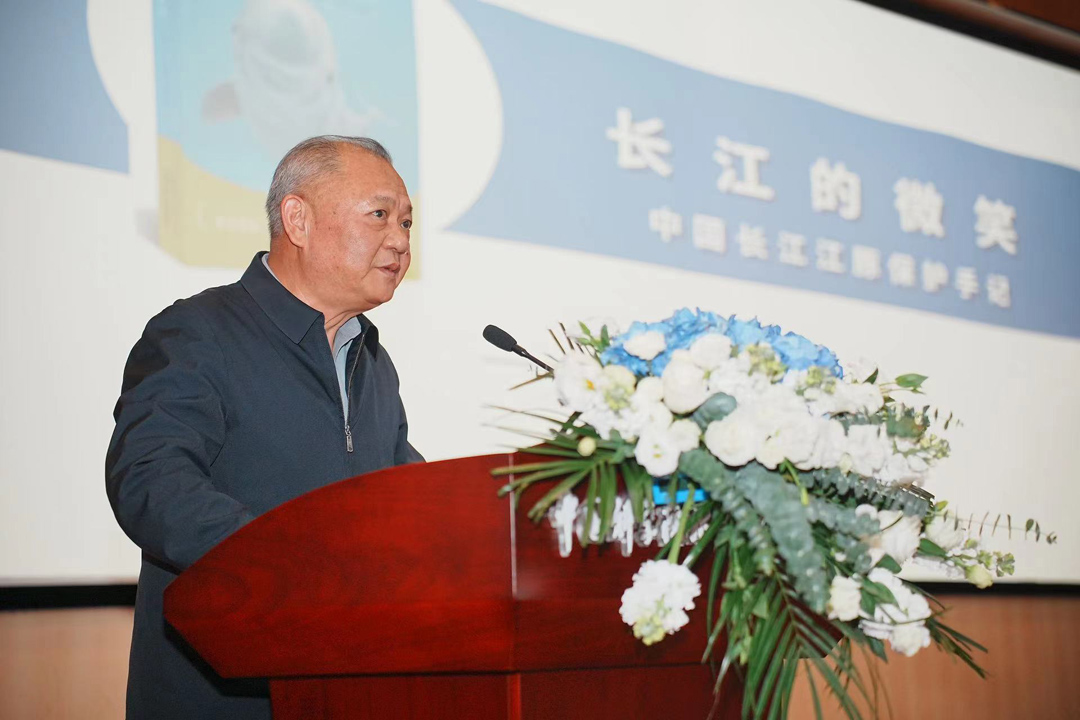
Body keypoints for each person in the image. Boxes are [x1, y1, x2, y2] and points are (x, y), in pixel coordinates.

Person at [106, 136, 423, 719]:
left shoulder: (372, 361)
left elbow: (404, 494)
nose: (401, 240)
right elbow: (150, 480)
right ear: (297, 220)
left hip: (344, 685)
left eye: (406, 221)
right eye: (380, 215)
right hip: (223, 694)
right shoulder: (199, 332)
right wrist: (286, 564)